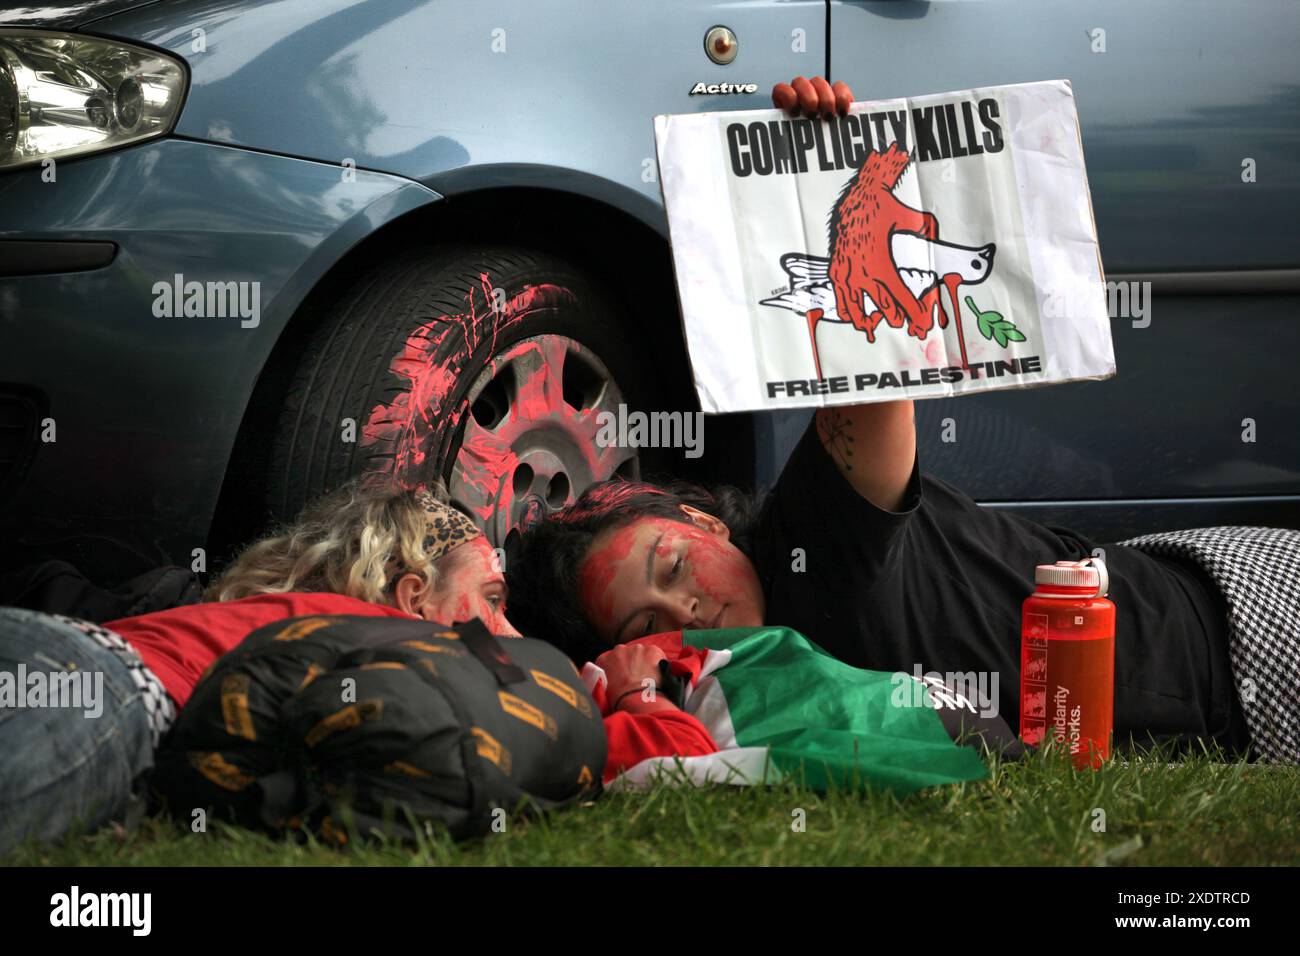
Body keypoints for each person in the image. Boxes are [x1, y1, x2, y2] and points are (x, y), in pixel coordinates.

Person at [506, 79, 1300, 763]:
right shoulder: (749, 691)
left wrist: (823, 163)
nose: (689, 613)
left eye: (675, 568)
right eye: (652, 621)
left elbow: (873, 361)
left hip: (1246, 627)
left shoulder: (815, 540)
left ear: (702, 521)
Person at [1, 478, 716, 852]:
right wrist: (641, 692)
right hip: (102, 683)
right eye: (493, 600)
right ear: (415, 599)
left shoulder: (292, 626)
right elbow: (661, 757)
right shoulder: (405, 643)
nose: (511, 633)